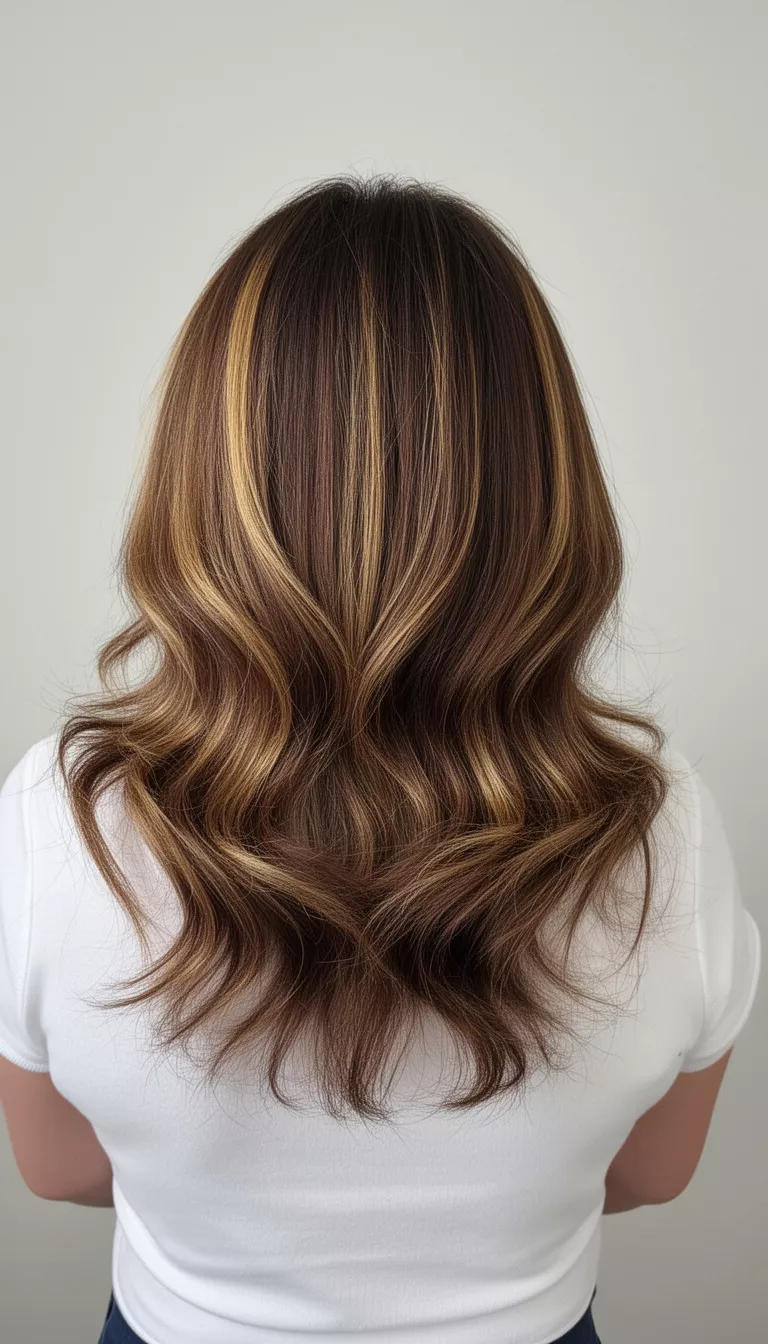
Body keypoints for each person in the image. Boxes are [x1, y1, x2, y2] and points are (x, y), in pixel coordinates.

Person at [0, 174, 761, 1344]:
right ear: (539, 485)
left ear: (205, 475)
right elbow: (651, 1174)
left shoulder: (65, 815)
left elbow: (52, 1169)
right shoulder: (663, 831)